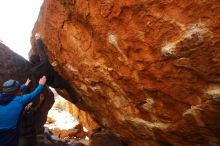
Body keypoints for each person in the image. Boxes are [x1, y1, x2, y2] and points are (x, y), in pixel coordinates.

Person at [29, 33, 81, 105]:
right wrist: (38, 39)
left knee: (64, 86)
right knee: (69, 87)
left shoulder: (33, 71)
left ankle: (75, 101)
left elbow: (42, 76)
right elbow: (42, 51)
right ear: (38, 58)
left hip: (54, 85)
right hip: (59, 80)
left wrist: (51, 66)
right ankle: (76, 101)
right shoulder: (44, 61)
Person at [0, 76, 46, 146]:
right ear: (16, 90)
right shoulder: (20, 100)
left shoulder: (10, 96)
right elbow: (34, 94)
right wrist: (41, 84)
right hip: (10, 133)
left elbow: (10, 92)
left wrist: (24, 85)